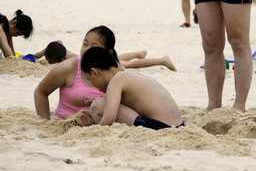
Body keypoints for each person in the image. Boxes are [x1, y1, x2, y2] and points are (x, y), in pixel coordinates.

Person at [34, 25, 176, 120]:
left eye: (93, 46)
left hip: (102, 125)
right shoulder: (68, 67)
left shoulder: (116, 72)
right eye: (85, 44)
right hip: (67, 124)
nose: (86, 49)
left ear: (108, 53)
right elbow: (40, 92)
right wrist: (46, 124)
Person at [80, 46, 184, 129]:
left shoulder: (116, 80)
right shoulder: (126, 75)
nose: (92, 85)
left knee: (97, 105)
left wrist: (95, 130)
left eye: (89, 79)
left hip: (160, 127)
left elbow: (109, 118)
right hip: (179, 125)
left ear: (94, 72)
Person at [34, 37, 176, 71]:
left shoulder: (68, 61)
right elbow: (58, 41)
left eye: (53, 63)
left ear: (62, 59)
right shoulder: (62, 50)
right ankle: (139, 53)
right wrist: (41, 53)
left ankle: (161, 60)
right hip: (99, 56)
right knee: (118, 58)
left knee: (130, 65)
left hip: (98, 61)